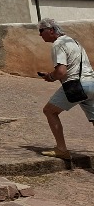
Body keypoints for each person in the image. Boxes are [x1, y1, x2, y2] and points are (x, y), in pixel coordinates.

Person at [37, 18, 94, 159]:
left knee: (49, 111)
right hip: (91, 83)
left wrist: (50, 77)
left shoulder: (58, 44)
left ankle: (61, 149)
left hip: (76, 85)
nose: (40, 34)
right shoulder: (73, 41)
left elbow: (61, 72)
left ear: (51, 30)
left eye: (41, 30)